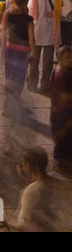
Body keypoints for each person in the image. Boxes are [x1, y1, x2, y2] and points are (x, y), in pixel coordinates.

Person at [27, 0, 66, 93]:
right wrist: (56, 12)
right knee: (48, 62)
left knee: (34, 58)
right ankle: (45, 85)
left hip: (37, 28)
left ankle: (32, 84)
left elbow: (30, 7)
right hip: (51, 29)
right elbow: (69, 6)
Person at [5, 146, 57, 232]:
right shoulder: (50, 181)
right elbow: (37, 191)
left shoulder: (29, 192)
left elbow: (23, 227)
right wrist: (24, 177)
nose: (21, 165)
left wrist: (7, 220)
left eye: (23, 162)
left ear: (28, 165)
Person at [0, 0, 35, 119]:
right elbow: (31, 39)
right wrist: (34, 53)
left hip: (10, 49)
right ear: (25, 3)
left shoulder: (7, 14)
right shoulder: (29, 19)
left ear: (13, 0)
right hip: (23, 51)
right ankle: (12, 105)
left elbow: (3, 33)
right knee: (19, 79)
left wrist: (3, 49)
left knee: (9, 76)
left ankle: (9, 105)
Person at [50, 45, 72, 175]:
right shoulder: (60, 74)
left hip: (62, 112)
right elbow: (65, 97)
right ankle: (60, 165)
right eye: (67, 58)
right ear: (59, 59)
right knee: (63, 139)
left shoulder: (64, 70)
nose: (70, 60)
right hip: (62, 113)